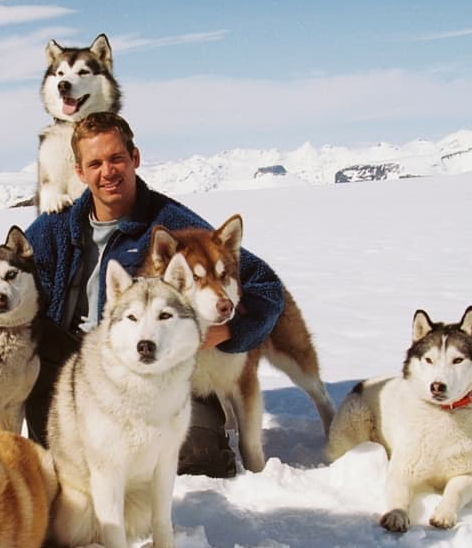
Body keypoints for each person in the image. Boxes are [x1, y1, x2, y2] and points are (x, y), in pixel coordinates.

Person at [23, 111, 285, 478]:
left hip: (157, 367)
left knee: (201, 459)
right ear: (80, 173)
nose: (108, 172)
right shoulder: (54, 227)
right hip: (74, 361)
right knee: (60, 461)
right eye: (95, 163)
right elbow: (11, 280)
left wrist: (228, 333)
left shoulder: (172, 223)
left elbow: (266, 287)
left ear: (135, 159)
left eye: (116, 158)